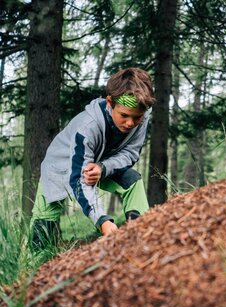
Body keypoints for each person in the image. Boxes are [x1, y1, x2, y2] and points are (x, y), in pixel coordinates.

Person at [30, 67, 155, 251]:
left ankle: (141, 237)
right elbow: (79, 179)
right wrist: (102, 221)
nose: (130, 123)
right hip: (60, 166)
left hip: (101, 163)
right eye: (124, 116)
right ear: (110, 103)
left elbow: (130, 153)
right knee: (45, 219)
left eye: (136, 117)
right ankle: (31, 265)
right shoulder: (87, 127)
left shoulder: (141, 118)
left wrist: (103, 168)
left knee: (132, 180)